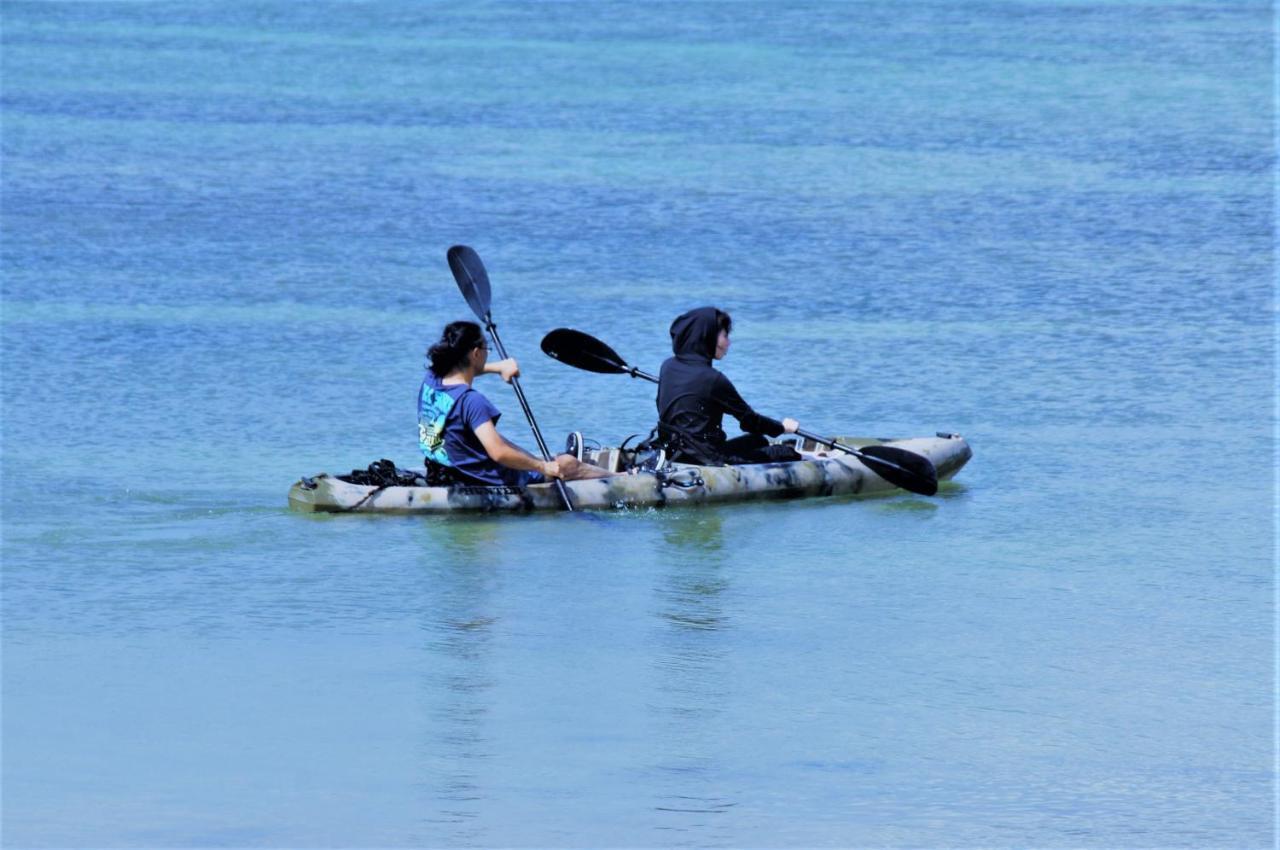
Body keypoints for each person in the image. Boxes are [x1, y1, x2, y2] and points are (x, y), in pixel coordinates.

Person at [419, 321, 611, 487]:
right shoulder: (472, 401)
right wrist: (543, 467)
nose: (488, 353)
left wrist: (498, 367)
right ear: (476, 353)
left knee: (500, 440)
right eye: (487, 349)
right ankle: (623, 478)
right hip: (484, 478)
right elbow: (498, 453)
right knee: (567, 464)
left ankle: (549, 461)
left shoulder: (432, 380)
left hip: (446, 470)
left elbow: (464, 370)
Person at [653, 306, 801, 465]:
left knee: (757, 440)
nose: (728, 343)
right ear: (708, 337)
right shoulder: (713, 379)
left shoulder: (667, 366)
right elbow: (750, 421)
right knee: (786, 453)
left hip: (674, 451)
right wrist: (782, 428)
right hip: (707, 458)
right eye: (725, 335)